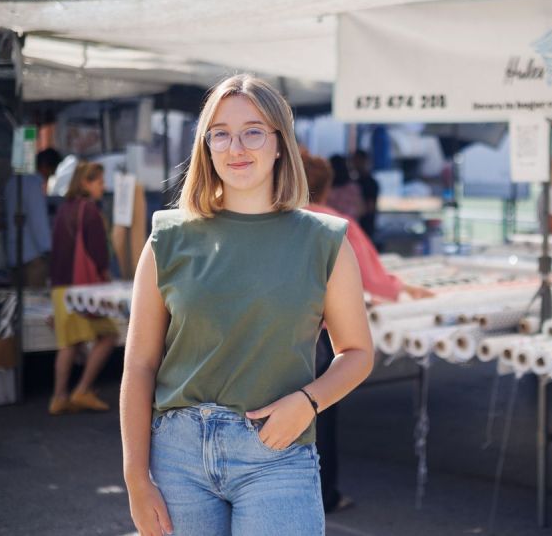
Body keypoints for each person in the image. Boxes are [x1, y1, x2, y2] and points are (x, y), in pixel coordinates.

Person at [120, 75, 374, 536]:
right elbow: (139, 365)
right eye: (220, 133)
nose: (235, 147)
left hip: (276, 455)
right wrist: (136, 479)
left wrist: (308, 402)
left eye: (253, 131)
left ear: (279, 143)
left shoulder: (324, 241)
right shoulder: (167, 238)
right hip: (177, 458)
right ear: (206, 146)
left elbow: (357, 353)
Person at [303, 153, 431, 513]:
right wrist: (404, 288)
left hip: (277, 334)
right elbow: (372, 279)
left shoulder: (273, 220)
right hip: (321, 337)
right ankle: (324, 495)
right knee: (319, 414)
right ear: (327, 187)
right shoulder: (334, 225)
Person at [48, 161, 117, 415]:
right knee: (109, 336)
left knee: (69, 343)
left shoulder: (64, 209)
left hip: (61, 286)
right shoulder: (90, 211)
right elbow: (99, 254)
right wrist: (106, 276)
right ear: (86, 183)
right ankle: (83, 390)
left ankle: (59, 397)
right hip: (84, 290)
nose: (103, 187)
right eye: (99, 181)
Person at [5, 148, 62, 288]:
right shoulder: (34, 185)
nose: (51, 175)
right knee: (34, 299)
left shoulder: (12, 182)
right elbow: (39, 223)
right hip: (32, 258)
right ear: (46, 167)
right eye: (52, 171)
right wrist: (49, 251)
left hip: (14, 255)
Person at [351, 149, 380, 242]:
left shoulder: (370, 183)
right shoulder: (355, 181)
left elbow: (370, 206)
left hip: (365, 225)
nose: (355, 164)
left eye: (358, 161)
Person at [326, 154, 365, 220]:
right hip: (350, 224)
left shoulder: (326, 190)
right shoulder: (353, 188)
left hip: (331, 224)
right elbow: (361, 210)